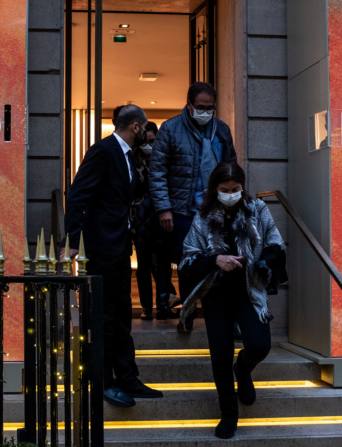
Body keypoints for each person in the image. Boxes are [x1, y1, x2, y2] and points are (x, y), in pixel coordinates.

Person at [61, 104, 163, 408]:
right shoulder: (103, 151)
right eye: (145, 129)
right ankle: (104, 382)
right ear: (135, 127)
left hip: (119, 245)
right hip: (103, 246)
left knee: (121, 316)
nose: (146, 134)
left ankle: (128, 378)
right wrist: (73, 240)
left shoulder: (129, 156)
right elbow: (78, 193)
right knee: (105, 316)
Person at [178, 162, 287, 439]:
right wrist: (215, 259)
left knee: (260, 345)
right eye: (225, 190)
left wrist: (265, 261)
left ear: (242, 187)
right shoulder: (202, 217)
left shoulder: (257, 210)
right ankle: (228, 413)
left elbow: (276, 243)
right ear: (215, 188)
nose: (230, 194)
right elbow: (188, 257)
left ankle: (243, 368)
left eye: (235, 189)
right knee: (220, 353)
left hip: (250, 290)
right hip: (216, 293)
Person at [149, 82, 237, 332]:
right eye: (200, 107)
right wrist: (164, 208)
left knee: (224, 262)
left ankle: (226, 319)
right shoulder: (170, 129)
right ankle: (187, 313)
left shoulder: (221, 130)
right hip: (183, 211)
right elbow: (157, 172)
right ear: (189, 105)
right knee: (188, 264)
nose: (205, 112)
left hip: (217, 209)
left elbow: (231, 166)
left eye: (210, 108)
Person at [129, 121, 176, 320]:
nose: (150, 145)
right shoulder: (132, 159)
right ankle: (147, 307)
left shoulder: (164, 158)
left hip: (160, 218)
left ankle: (163, 306)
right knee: (144, 266)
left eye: (153, 141)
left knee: (164, 264)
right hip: (140, 219)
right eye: (147, 142)